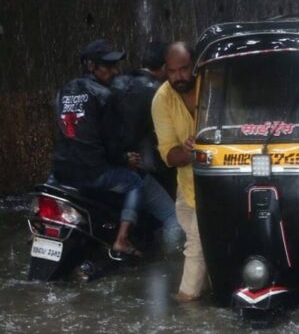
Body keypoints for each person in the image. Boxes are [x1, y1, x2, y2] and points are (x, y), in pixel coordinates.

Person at [52, 39, 143, 256]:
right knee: (135, 184)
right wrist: (125, 159)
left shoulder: (64, 91)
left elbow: (65, 134)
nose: (114, 71)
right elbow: (111, 148)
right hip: (92, 172)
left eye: (115, 66)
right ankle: (122, 239)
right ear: (91, 66)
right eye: (108, 66)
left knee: (50, 188)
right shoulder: (105, 96)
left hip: (62, 170)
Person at [111, 41, 183, 250]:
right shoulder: (159, 94)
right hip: (133, 168)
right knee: (173, 219)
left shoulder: (116, 82)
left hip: (108, 164)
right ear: (163, 68)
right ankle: (170, 264)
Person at [152, 41, 207, 302]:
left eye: (184, 69)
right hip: (186, 187)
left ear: (195, 65)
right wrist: (190, 152)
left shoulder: (213, 85)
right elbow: (169, 155)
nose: (179, 77)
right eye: (172, 71)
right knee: (199, 243)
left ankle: (186, 304)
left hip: (217, 183)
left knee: (195, 245)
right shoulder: (161, 100)